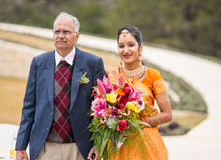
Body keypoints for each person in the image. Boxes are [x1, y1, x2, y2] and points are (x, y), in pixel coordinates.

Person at [15, 12, 106, 160]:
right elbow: (29, 107)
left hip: (81, 149)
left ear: (77, 36)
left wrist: (99, 143)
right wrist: (20, 146)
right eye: (57, 31)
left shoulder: (93, 64)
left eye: (66, 32)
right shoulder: (38, 63)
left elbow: (102, 111)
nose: (61, 36)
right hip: (45, 148)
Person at [88, 25, 172, 160]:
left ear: (141, 47)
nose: (125, 50)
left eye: (131, 45)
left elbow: (167, 115)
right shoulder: (112, 76)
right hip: (117, 148)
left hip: (147, 147)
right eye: (121, 46)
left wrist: (136, 123)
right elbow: (102, 118)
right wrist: (98, 145)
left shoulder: (153, 76)